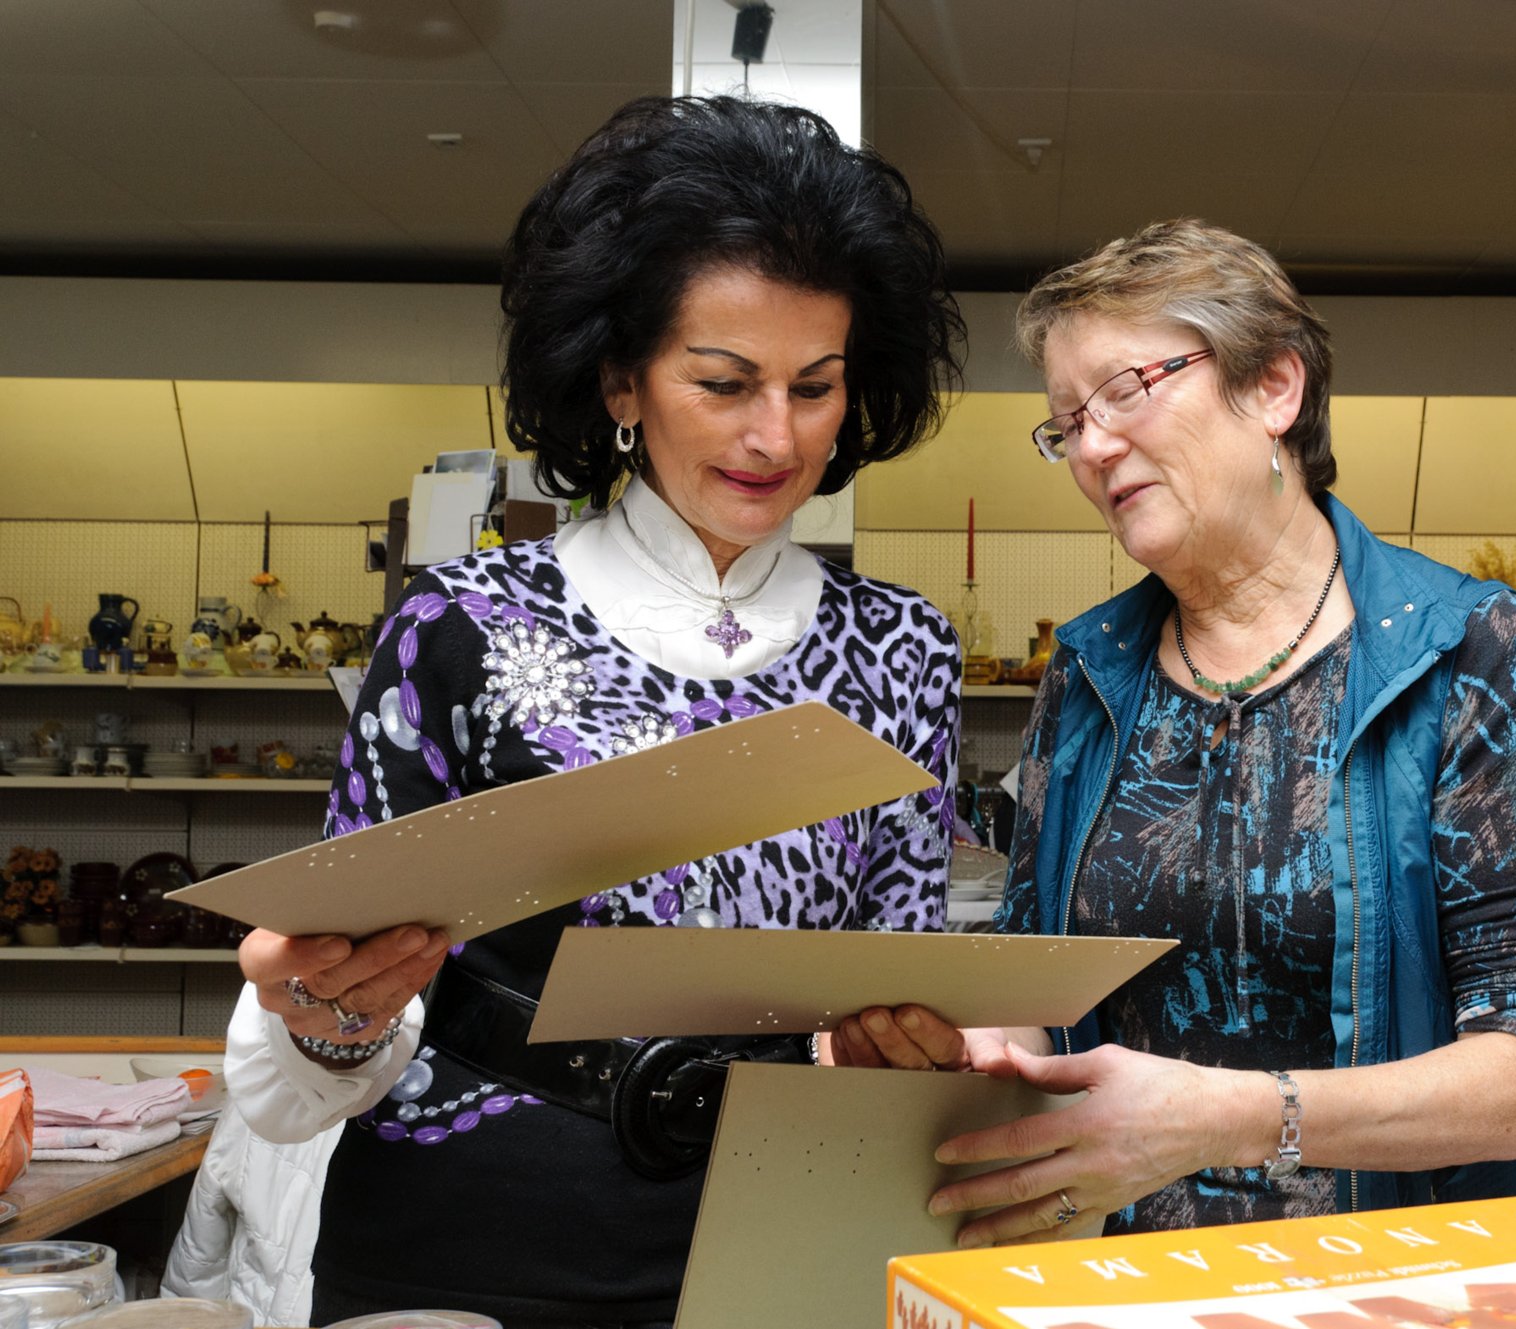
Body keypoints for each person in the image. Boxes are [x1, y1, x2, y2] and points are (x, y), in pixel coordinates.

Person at [222, 95, 966, 1326]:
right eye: (723, 383)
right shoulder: (460, 626)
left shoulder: (900, 647)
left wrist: (911, 1045)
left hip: (783, 1232)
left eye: (815, 387)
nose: (774, 435)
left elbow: (887, 983)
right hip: (469, 1233)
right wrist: (327, 1012)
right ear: (620, 376)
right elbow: (351, 999)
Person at [835, 219, 1516, 1243]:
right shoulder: (1087, 671)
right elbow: (1035, 996)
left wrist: (1223, 1120)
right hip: (1135, 1271)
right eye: (1066, 423)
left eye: (1124, 391)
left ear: (1272, 391)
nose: (1092, 446)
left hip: (1411, 1272)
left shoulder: (1467, 648)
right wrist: (956, 1045)